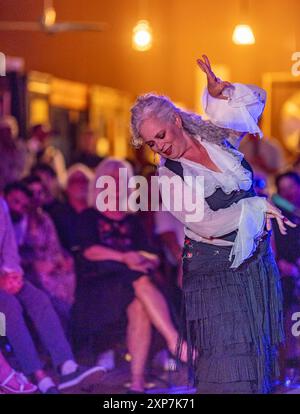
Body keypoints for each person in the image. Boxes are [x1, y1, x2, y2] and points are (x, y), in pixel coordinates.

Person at [130, 55, 296, 394]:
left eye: (160, 135)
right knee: (225, 360)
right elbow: (206, 224)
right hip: (213, 270)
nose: (159, 145)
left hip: (254, 263)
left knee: (253, 355)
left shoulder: (215, 140)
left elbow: (255, 105)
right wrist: (254, 207)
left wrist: (223, 95)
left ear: (175, 120)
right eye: (151, 143)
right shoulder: (168, 176)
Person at [75, 158, 187, 393]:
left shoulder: (132, 221)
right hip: (100, 290)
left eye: (122, 181)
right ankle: (174, 340)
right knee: (140, 281)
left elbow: (153, 254)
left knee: (139, 303)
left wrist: (141, 256)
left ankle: (137, 383)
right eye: (112, 180)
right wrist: (125, 258)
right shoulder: (89, 217)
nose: (117, 186)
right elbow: (89, 251)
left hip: (135, 288)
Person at [0, 197, 105, 393]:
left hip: (4, 275)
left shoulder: (1, 204)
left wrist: (13, 272)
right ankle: (37, 374)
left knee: (38, 299)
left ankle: (67, 367)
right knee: (9, 305)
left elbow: (8, 245)